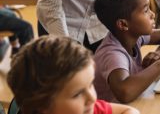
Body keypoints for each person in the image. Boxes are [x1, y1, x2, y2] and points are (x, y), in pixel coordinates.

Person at [7, 35, 140, 114]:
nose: (92, 98)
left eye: (90, 85)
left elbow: (127, 111)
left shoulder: (86, 108)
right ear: (43, 105)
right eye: (77, 94)